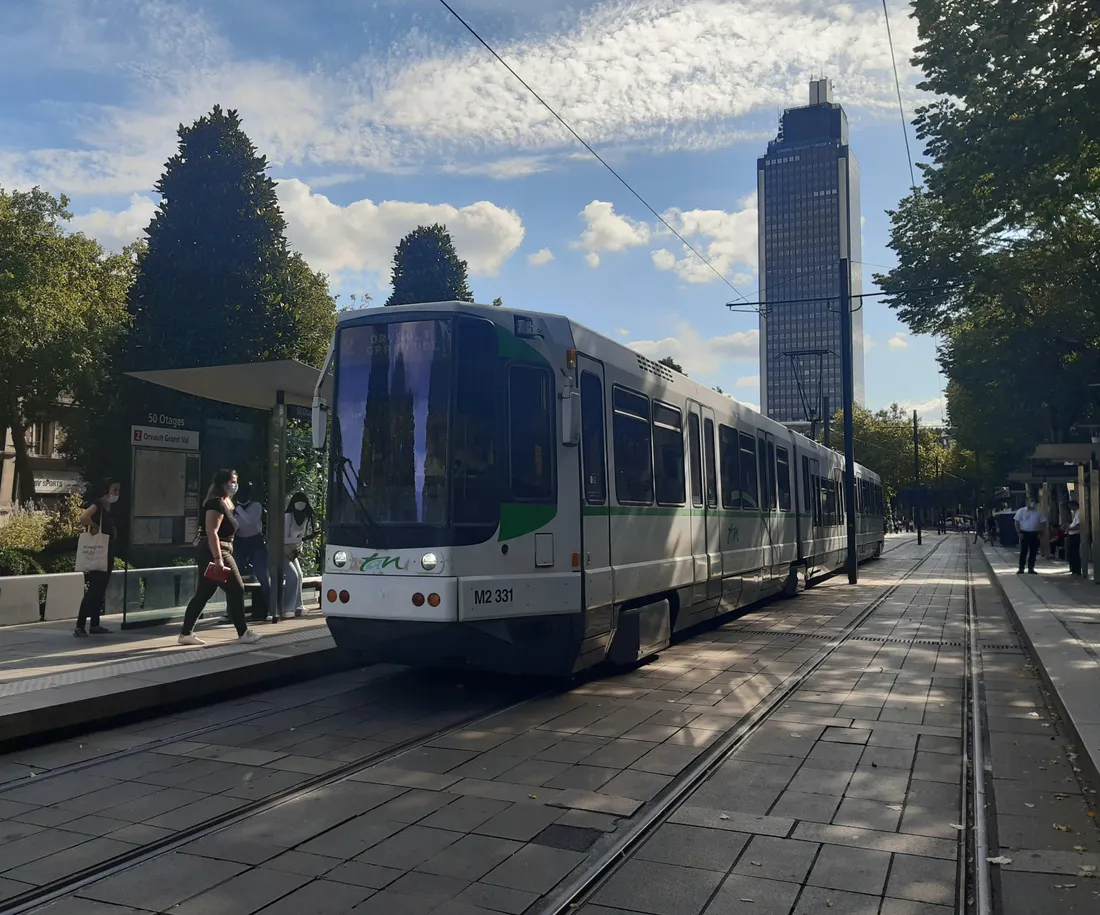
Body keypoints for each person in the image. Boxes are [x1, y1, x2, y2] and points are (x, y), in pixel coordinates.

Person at [177, 469, 260, 646]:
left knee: (204, 593)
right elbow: (211, 532)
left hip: (222, 550)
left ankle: (186, 633)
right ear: (223, 483)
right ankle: (243, 632)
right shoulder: (215, 504)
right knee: (237, 588)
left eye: (235, 481)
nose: (235, 485)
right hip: (217, 551)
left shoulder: (227, 503)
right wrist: (217, 559)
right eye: (232, 481)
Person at [74, 478, 120, 637]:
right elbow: (83, 517)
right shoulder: (99, 503)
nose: (117, 493)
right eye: (114, 490)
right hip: (98, 552)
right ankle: (80, 625)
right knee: (94, 589)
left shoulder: (112, 507)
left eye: (118, 490)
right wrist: (95, 527)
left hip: (108, 552)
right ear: (107, 490)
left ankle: (95, 624)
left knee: (100, 590)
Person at [233, 482, 270, 622]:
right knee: (233, 577)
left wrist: (237, 509)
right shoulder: (234, 509)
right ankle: (230, 611)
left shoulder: (256, 506)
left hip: (256, 543)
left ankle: (270, 608)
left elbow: (250, 521)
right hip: (240, 543)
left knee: (263, 577)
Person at [283, 492, 318, 620]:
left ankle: (298, 605)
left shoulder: (305, 517)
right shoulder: (288, 516)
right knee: (292, 576)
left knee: (300, 574)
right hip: (280, 550)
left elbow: (298, 538)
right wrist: (303, 539)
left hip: (291, 551)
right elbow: (284, 539)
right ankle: (287, 608)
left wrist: (300, 543)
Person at [1014, 497, 1048, 575]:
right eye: (1031, 501)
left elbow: (1043, 522)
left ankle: (1031, 568)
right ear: (1027, 502)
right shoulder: (1021, 511)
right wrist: (1019, 532)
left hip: (1035, 533)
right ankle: (1021, 568)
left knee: (1033, 552)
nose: (1033, 503)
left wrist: (1041, 533)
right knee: (1023, 551)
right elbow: (1016, 522)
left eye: (1034, 502)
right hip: (1024, 533)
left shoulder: (1038, 512)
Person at [1066, 498, 1082, 576]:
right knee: (1071, 553)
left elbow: (1079, 525)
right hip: (1072, 534)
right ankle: (1074, 569)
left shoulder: (1078, 513)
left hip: (1074, 535)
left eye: (1070, 506)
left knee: (1074, 553)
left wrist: (1069, 528)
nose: (1070, 508)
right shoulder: (1076, 513)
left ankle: (1076, 569)